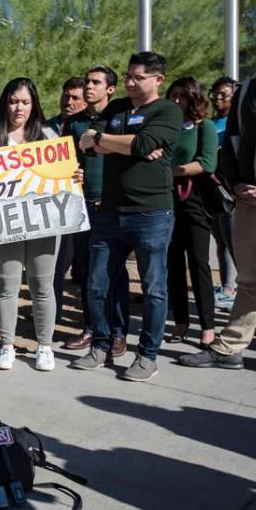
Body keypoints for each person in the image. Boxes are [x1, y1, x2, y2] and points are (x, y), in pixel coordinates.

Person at [180, 12, 256, 380]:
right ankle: (230, 347)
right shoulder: (251, 87)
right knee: (249, 280)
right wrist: (235, 184)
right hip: (249, 201)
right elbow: (231, 142)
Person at [72, 51, 181, 381]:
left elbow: (141, 142)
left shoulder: (168, 111)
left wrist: (112, 141)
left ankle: (147, 355)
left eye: (138, 77)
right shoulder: (118, 108)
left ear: (157, 79)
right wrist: (126, 144)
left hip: (151, 214)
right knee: (96, 285)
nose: (130, 82)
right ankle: (101, 345)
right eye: (129, 76)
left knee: (154, 288)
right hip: (109, 213)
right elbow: (87, 143)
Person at [0, 78, 66, 372]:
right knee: (6, 285)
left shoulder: (49, 134)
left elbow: (62, 175)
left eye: (25, 102)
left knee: (42, 284)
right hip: (3, 223)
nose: (19, 108)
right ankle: (7, 345)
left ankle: (44, 346)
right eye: (13, 101)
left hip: (44, 220)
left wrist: (72, 178)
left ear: (34, 104)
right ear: (4, 104)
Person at [62, 66, 130, 353]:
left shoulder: (119, 118)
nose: (89, 87)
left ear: (110, 89)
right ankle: (90, 328)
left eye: (95, 82)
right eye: (87, 81)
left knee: (115, 271)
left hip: (112, 205)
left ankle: (118, 332)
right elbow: (66, 160)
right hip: (82, 204)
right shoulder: (74, 122)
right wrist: (71, 173)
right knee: (87, 271)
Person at [164, 77, 218, 347]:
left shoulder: (203, 126)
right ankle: (181, 322)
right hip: (165, 199)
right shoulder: (164, 126)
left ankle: (208, 325)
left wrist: (170, 171)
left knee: (199, 263)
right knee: (172, 264)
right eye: (173, 95)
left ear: (193, 99)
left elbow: (207, 163)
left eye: (182, 96)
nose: (176, 101)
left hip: (194, 200)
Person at [50, 78, 87, 321]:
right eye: (66, 96)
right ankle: (51, 313)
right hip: (52, 205)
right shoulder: (48, 126)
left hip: (82, 204)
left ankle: (88, 319)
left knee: (83, 265)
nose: (69, 102)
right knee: (54, 265)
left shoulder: (89, 126)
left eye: (75, 97)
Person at [208, 76, 239, 313]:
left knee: (233, 242)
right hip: (212, 191)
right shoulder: (212, 122)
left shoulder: (236, 123)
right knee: (221, 241)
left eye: (224, 95)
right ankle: (227, 287)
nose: (217, 98)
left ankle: (236, 290)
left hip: (230, 191)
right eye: (214, 94)